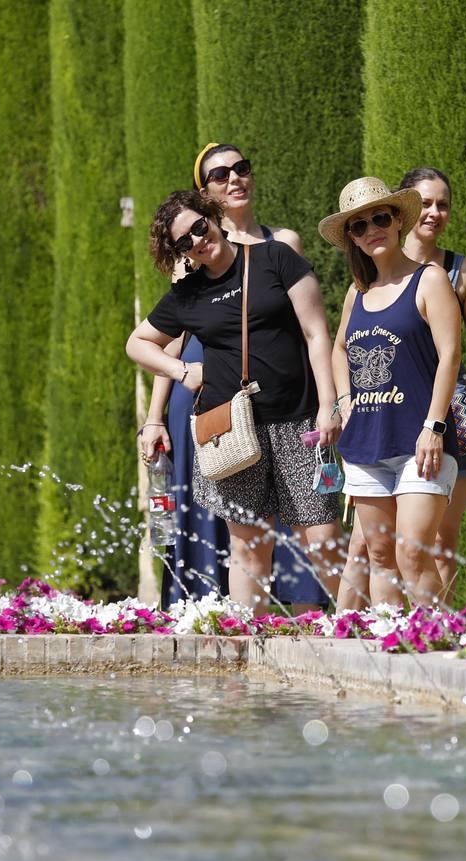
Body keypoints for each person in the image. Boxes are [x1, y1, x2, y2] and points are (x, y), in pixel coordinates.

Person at [128, 189, 343, 614]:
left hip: (297, 422)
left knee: (322, 539)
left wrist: (328, 404)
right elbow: (137, 343)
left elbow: (318, 334)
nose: (197, 241)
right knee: (247, 549)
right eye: (183, 242)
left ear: (211, 216)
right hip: (229, 431)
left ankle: (367, 630)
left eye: (197, 227)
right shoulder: (187, 294)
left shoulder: (275, 258)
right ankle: (250, 648)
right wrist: (182, 372)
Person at [322, 177, 462, 608]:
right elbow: (339, 349)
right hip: (366, 443)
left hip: (419, 441)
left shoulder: (429, 280)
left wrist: (434, 426)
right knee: (380, 555)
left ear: (399, 220)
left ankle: (439, 646)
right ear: (352, 239)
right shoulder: (357, 294)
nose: (371, 230)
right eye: (358, 226)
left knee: (412, 552)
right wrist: (345, 403)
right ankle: (393, 651)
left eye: (379, 218)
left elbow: (451, 355)